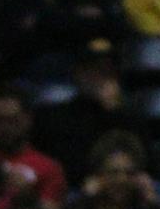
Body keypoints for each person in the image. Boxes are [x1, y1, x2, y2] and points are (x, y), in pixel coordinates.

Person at [34, 37, 138, 183]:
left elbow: (139, 160)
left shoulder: (129, 118)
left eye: (107, 70)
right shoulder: (55, 117)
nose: (101, 77)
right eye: (94, 69)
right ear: (78, 73)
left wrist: (113, 113)